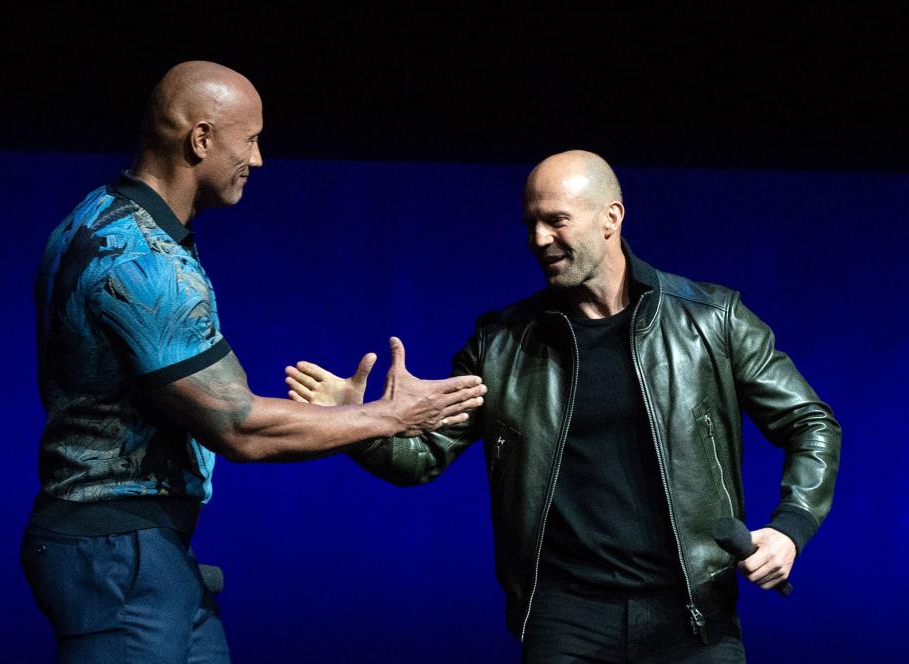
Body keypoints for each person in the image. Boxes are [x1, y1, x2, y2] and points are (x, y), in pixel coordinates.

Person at [285, 150, 841, 663]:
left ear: (611, 217)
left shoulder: (710, 319)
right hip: (565, 617)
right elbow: (422, 458)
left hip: (694, 612)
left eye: (556, 220)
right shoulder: (502, 342)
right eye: (530, 223)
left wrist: (790, 527)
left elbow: (810, 423)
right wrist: (358, 422)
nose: (539, 238)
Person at [22, 60, 486, 664]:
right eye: (251, 140)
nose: (259, 160)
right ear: (201, 139)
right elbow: (240, 427)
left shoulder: (95, 217)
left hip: (141, 549)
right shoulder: (143, 261)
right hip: (116, 553)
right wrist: (392, 417)